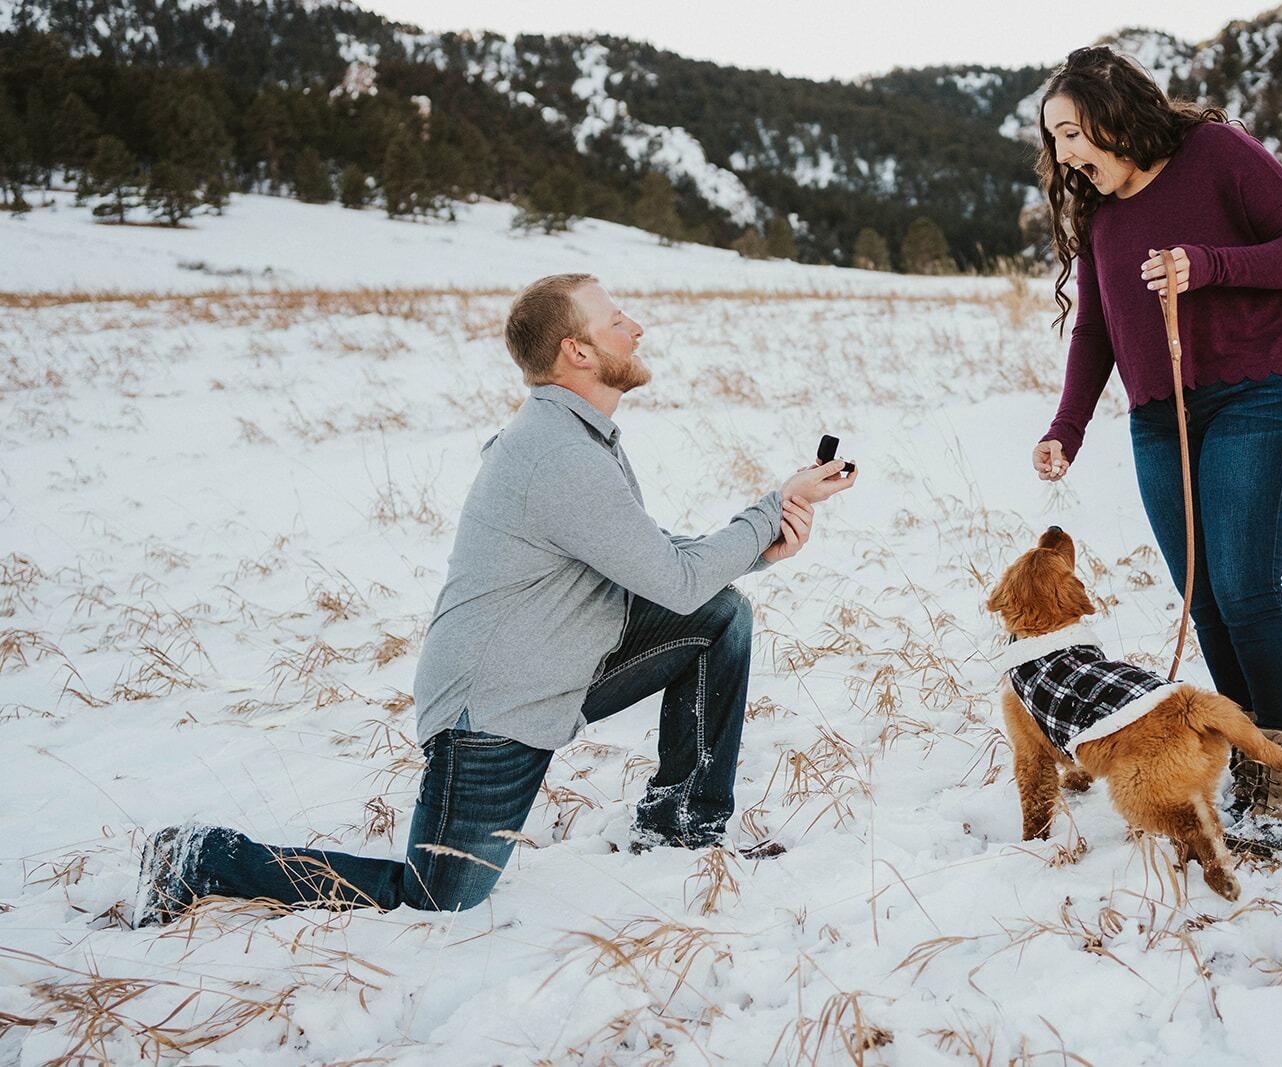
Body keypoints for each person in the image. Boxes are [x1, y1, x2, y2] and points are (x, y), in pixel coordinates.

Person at [135, 273, 857, 925]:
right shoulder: (558, 453)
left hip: (558, 664)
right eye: (616, 321)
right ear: (577, 352)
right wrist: (771, 509)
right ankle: (203, 859)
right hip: (491, 712)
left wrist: (763, 543)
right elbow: (672, 576)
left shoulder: (577, 436)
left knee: (717, 615)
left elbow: (653, 561)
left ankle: (680, 827)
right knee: (439, 895)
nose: (635, 328)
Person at [1028, 47, 1282, 854]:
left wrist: (1209, 265)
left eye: (1070, 132)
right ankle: (1251, 763)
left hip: (1261, 394)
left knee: (1246, 591)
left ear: (1112, 116)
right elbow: (1095, 329)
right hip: (1160, 418)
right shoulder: (1102, 213)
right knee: (1207, 602)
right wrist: (1066, 428)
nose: (1063, 153)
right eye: (1054, 139)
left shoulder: (1219, 154)